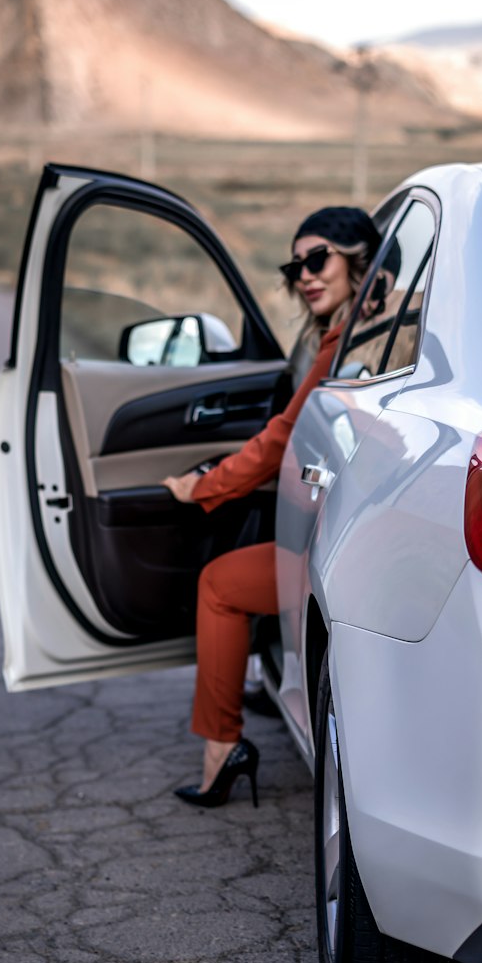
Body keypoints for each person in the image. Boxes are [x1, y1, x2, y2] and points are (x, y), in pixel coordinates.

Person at [162, 206, 382, 807]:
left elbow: (283, 437)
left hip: (338, 546)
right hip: (348, 532)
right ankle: (242, 719)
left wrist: (202, 487)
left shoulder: (345, 344)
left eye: (319, 259)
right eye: (296, 265)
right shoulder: (360, 336)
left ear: (362, 262)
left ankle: (221, 749)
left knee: (219, 585)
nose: (305, 274)